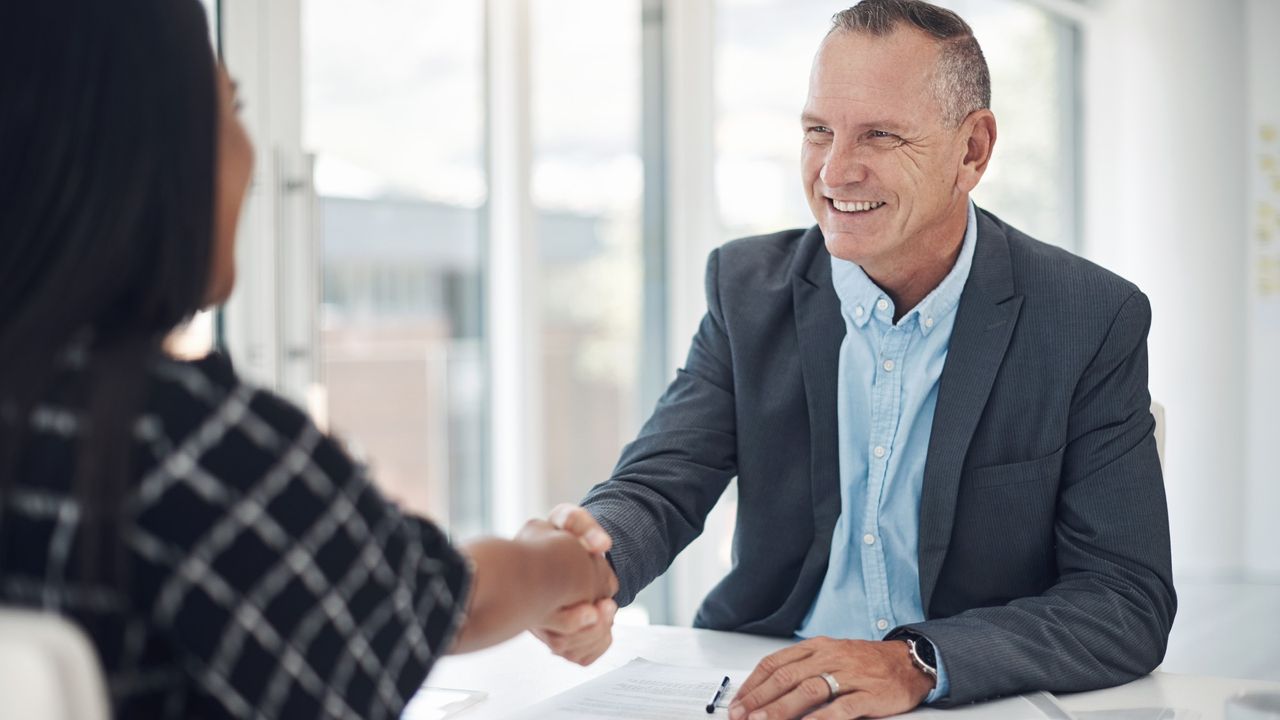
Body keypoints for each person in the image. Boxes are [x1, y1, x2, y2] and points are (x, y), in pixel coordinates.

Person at [536, 1, 1177, 717]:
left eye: (880, 135)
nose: (836, 171)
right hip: (764, 677)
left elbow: (1126, 599)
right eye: (818, 132)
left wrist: (916, 662)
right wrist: (581, 564)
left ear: (973, 150)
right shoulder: (747, 290)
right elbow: (659, 488)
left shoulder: (1088, 316)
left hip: (966, 697)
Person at [0, 1, 615, 718]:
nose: (248, 153)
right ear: (145, 152)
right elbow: (450, 605)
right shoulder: (190, 444)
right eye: (229, 108)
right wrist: (569, 562)